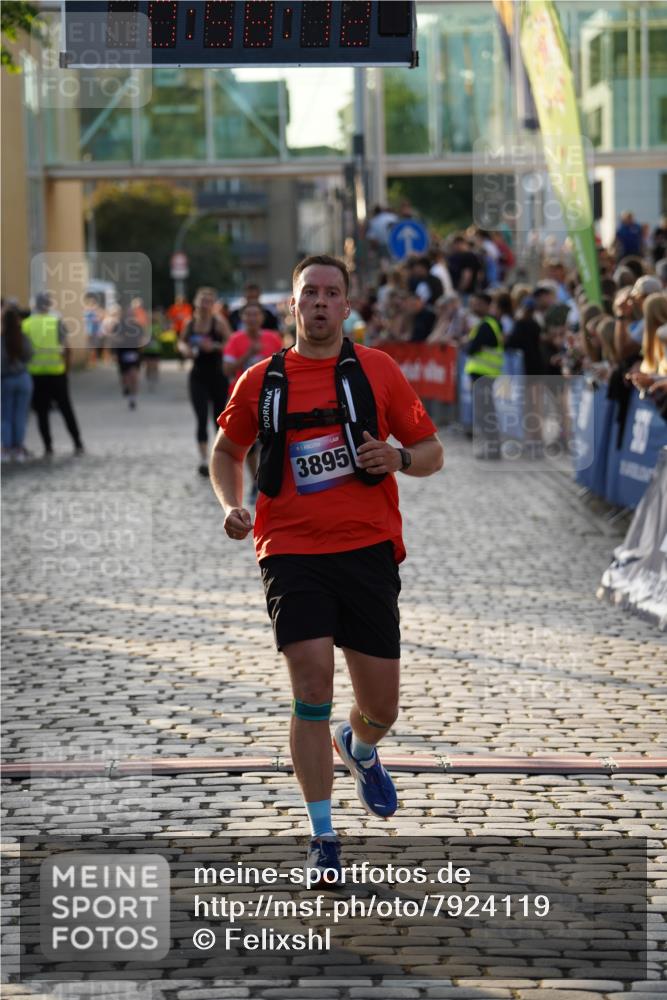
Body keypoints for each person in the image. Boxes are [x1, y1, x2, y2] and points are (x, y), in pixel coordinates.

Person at [210, 254, 443, 885]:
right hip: (289, 549)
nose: (318, 302)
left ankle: (360, 747)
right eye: (308, 292)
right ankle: (322, 834)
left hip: (366, 549)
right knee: (311, 686)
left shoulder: (378, 370)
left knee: (382, 707)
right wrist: (234, 505)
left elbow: (431, 452)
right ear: (293, 306)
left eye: (330, 292)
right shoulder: (261, 379)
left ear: (347, 305)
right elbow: (227, 450)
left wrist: (395, 457)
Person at [223, 302, 283, 503]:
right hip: (243, 398)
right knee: (249, 445)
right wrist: (248, 354)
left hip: (271, 397)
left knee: (271, 442)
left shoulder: (273, 338)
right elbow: (227, 369)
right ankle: (255, 481)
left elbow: (286, 365)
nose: (252, 319)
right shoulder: (235, 340)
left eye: (256, 314)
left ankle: (269, 480)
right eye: (248, 315)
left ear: (262, 318)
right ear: (242, 318)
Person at [21, 293, 84, 458]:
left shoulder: (26, 324)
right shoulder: (56, 322)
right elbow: (67, 348)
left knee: (42, 412)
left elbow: (23, 352)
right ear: (48, 305)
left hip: (35, 375)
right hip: (57, 374)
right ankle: (77, 442)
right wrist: (66, 369)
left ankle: (48, 446)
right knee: (66, 409)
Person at [180, 286, 231, 477]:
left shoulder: (219, 323)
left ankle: (219, 459)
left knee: (218, 418)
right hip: (198, 376)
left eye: (209, 301)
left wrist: (216, 346)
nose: (205, 304)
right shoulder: (190, 322)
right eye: (202, 300)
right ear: (196, 302)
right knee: (201, 417)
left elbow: (231, 341)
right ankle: (203, 460)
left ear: (214, 304)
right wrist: (185, 349)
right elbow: (182, 341)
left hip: (217, 375)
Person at [463, 291, 504, 460]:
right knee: (485, 412)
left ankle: (493, 449)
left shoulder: (487, 325)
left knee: (485, 413)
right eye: (474, 303)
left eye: (479, 303)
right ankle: (491, 448)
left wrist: (467, 344)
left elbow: (471, 348)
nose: (475, 307)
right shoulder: (486, 324)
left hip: (484, 375)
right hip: (484, 375)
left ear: (488, 305)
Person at [1, 305, 34, 463]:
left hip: (6, 379)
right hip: (23, 378)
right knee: (20, 415)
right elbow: (29, 355)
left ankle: (6, 448)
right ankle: (19, 447)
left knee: (6, 416)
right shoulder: (22, 337)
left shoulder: (2, 339)